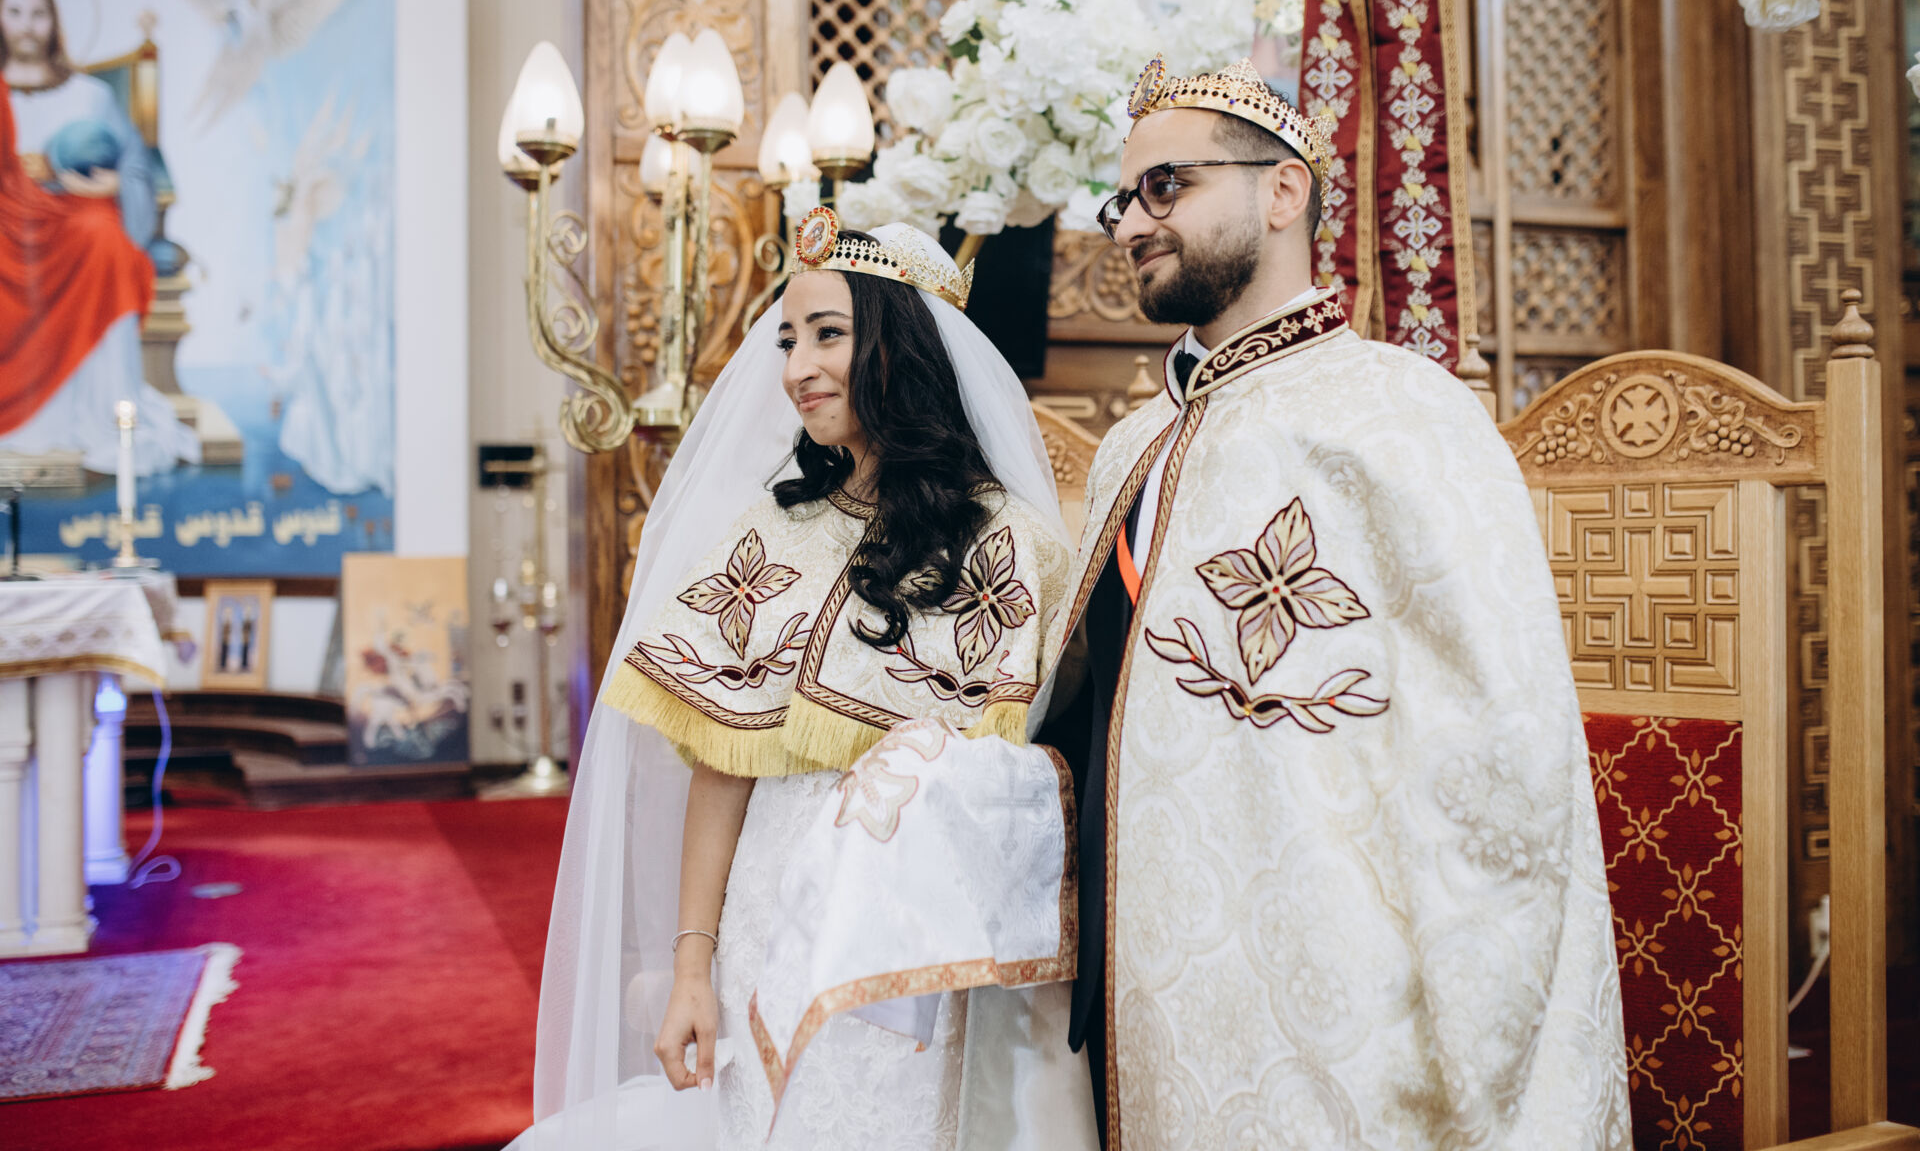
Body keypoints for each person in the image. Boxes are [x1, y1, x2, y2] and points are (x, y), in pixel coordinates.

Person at [1028, 57, 1631, 1147]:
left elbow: (1505, 746)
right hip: (1139, 995)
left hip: (1345, 1022)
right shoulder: (1132, 445)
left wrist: (1476, 1033)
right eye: (1124, 201)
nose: (1133, 224)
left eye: (1166, 186)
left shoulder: (1402, 417)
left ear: (1283, 191)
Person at [516, 215, 1083, 1150]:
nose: (796, 367)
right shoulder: (769, 535)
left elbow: (1013, 793)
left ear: (903, 347)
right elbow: (723, 768)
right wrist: (692, 969)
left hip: (910, 934)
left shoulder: (1008, 545)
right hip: (762, 916)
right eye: (788, 340)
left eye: (828, 334)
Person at [0, 0, 196, 475]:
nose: (27, 25)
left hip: (75, 213)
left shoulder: (88, 94)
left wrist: (108, 183)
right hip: (7, 217)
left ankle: (106, 413)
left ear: (54, 24)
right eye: (15, 12)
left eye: (38, 13)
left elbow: (133, 165)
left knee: (105, 238)